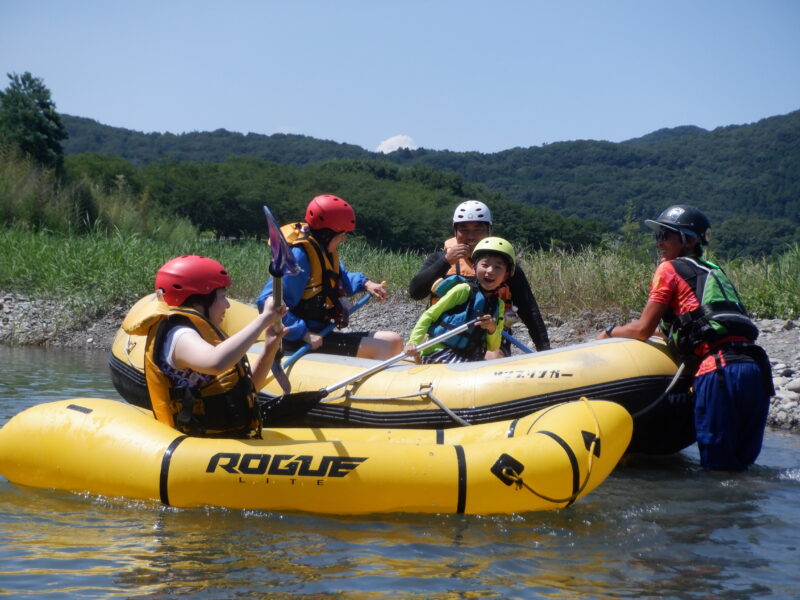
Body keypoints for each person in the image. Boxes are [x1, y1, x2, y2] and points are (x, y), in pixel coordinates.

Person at [597, 205, 774, 471]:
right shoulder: (711, 270)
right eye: (658, 236)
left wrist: (609, 332)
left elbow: (643, 329)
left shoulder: (669, 269)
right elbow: (685, 327)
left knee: (716, 471)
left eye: (667, 235)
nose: (659, 242)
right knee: (742, 468)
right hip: (756, 370)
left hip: (719, 370)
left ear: (689, 240)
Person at [132, 255, 286, 438]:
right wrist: (263, 319)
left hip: (223, 439)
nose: (227, 304)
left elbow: (249, 388)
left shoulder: (199, 334)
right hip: (194, 443)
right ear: (198, 300)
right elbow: (215, 363)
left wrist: (270, 348)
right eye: (222, 296)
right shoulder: (179, 335)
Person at [256, 194, 403, 360]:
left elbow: (339, 281)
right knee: (383, 348)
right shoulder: (299, 258)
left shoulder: (323, 251)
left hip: (321, 332)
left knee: (394, 340)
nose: (344, 238)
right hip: (300, 340)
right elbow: (267, 301)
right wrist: (303, 333)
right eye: (341, 234)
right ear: (326, 234)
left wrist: (366, 283)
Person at [408, 199, 550, 356]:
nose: (471, 237)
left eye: (478, 230)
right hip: (442, 335)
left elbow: (530, 312)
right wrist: (445, 261)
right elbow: (415, 293)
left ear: (489, 230)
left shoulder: (505, 267)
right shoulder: (440, 259)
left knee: (493, 356)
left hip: (489, 339)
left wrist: (545, 350)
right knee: (419, 354)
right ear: (455, 231)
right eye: (464, 230)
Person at [405, 237, 514, 364]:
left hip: (468, 356)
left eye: (498, 267)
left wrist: (491, 328)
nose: (490, 271)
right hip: (439, 351)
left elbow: (493, 347)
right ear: (474, 268)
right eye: (484, 265)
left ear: (505, 275)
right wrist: (412, 342)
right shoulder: (463, 290)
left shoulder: (498, 304)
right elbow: (429, 315)